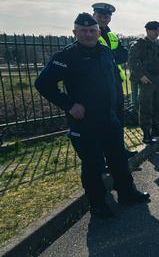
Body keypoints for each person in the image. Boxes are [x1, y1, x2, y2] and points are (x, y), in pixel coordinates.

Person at [35, 13, 150, 219]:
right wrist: (69, 105)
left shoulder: (105, 51)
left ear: (98, 32)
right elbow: (43, 84)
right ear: (75, 32)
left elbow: (113, 80)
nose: (88, 34)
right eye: (83, 30)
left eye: (92, 30)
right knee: (93, 164)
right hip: (84, 122)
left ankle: (126, 193)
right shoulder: (66, 56)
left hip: (110, 119)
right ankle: (98, 204)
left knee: (118, 159)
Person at [92, 2, 137, 158]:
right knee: (102, 120)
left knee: (118, 117)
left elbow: (124, 55)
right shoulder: (89, 34)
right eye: (101, 16)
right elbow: (99, 58)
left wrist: (110, 57)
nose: (104, 19)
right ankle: (103, 156)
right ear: (94, 16)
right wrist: (112, 56)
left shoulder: (111, 35)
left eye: (107, 16)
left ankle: (119, 150)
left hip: (115, 82)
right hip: (99, 84)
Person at [128, 21, 159, 144]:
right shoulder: (140, 44)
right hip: (146, 81)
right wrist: (141, 76)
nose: (156, 33)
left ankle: (155, 128)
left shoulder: (158, 45)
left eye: (157, 30)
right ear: (147, 31)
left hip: (158, 80)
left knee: (157, 105)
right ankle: (146, 133)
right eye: (153, 30)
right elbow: (132, 61)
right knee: (146, 106)